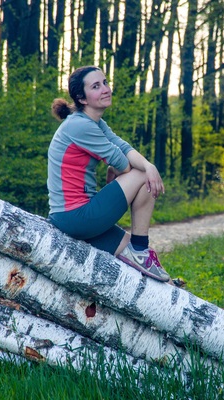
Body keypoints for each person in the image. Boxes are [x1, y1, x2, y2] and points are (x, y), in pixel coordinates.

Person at [47, 65, 170, 282]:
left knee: (131, 254)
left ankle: (152, 268)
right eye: (96, 86)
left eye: (105, 82)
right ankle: (141, 249)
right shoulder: (79, 126)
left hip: (69, 217)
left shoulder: (93, 122)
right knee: (143, 177)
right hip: (77, 216)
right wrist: (142, 169)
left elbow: (122, 147)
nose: (105, 89)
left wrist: (149, 165)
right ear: (81, 98)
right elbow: (124, 164)